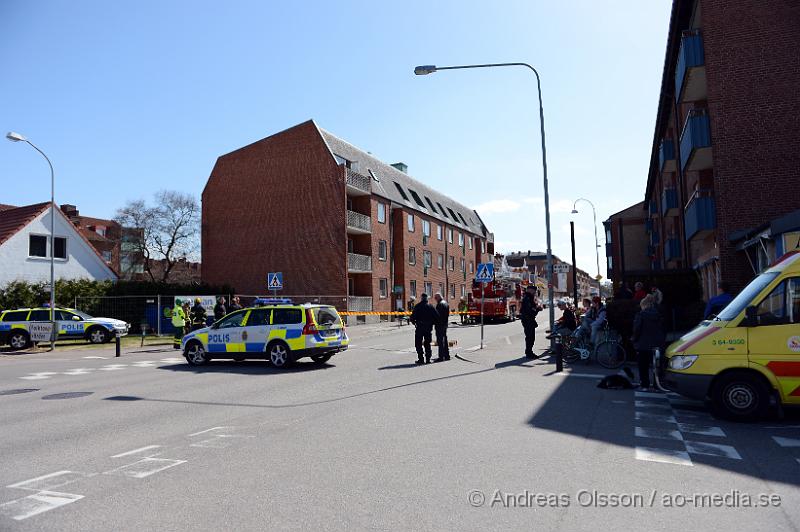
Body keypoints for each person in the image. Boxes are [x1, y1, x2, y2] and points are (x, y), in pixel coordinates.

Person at [632, 294, 666, 390]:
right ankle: (657, 384)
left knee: (643, 366)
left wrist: (634, 339)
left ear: (644, 305)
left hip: (643, 344)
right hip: (657, 343)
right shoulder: (659, 314)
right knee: (657, 365)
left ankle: (645, 385)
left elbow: (637, 329)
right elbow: (664, 328)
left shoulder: (641, 315)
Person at [410, 293, 438, 364]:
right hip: (428, 328)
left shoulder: (418, 306)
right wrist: (432, 323)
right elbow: (436, 317)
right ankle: (428, 359)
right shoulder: (431, 306)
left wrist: (415, 323)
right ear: (427, 298)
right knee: (427, 343)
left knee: (418, 343)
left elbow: (412, 317)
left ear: (421, 298)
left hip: (420, 327)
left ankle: (421, 359)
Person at [520, 285, 542, 359]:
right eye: (534, 290)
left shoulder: (528, 297)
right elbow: (530, 310)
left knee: (530, 337)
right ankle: (529, 353)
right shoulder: (527, 298)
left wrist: (536, 308)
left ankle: (529, 352)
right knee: (530, 337)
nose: (535, 292)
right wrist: (537, 309)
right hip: (528, 320)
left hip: (528, 319)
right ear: (530, 290)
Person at [433, 293, 451, 362]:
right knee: (445, 340)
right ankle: (447, 355)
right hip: (445, 324)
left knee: (440, 341)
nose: (435, 300)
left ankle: (441, 357)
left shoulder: (440, 304)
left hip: (439, 325)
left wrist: (433, 321)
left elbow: (437, 316)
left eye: (435, 298)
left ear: (438, 298)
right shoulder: (446, 303)